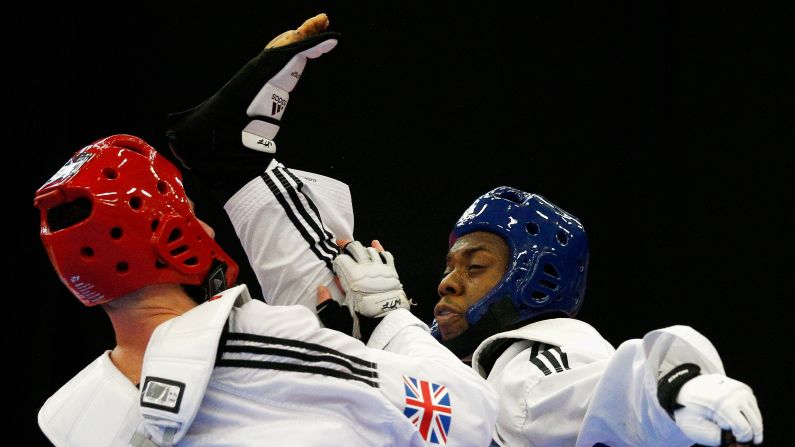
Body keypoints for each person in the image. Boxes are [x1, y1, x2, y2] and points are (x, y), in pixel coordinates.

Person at [36, 14, 498, 447]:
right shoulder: (261, 341)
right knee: (339, 277)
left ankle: (234, 159)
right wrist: (389, 319)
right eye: (192, 212)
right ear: (171, 238)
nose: (207, 227)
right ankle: (235, 162)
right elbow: (471, 418)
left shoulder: (71, 420)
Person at [423, 186, 764, 446]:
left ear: (532, 280)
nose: (447, 283)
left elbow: (600, 393)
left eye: (475, 267)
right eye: (448, 267)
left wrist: (675, 387)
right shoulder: (481, 366)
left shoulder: (530, 364)